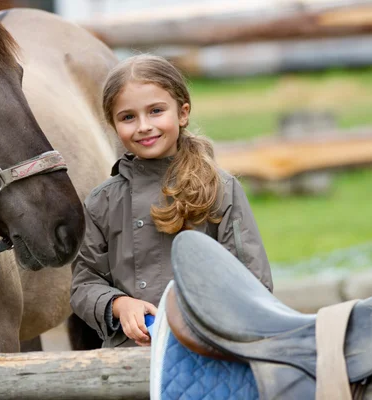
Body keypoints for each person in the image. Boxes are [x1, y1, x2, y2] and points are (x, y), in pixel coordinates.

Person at [70, 54, 273, 348]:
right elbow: (84, 284)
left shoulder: (220, 188)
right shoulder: (102, 201)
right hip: (128, 354)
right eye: (128, 117)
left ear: (182, 112)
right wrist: (119, 304)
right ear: (114, 125)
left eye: (155, 111)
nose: (143, 126)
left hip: (209, 348)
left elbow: (253, 278)